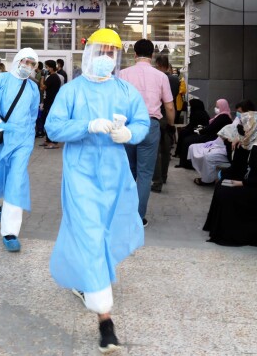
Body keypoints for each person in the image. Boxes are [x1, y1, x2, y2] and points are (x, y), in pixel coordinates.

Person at [45, 28, 150, 354]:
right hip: (81, 175)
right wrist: (86, 126)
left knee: (108, 232)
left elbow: (143, 124)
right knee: (90, 232)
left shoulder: (125, 90)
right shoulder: (72, 91)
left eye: (111, 53)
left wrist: (128, 134)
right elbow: (53, 126)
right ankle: (105, 320)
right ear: (88, 53)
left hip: (116, 176)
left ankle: (84, 278)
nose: (105, 58)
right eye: (100, 51)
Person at [0, 48, 41, 252]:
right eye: (25, 61)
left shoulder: (32, 88)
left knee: (16, 181)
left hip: (21, 142)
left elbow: (32, 116)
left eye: (32, 63)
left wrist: (27, 139)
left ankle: (10, 232)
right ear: (17, 60)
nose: (28, 66)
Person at [203, 105, 257, 247]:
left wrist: (241, 183)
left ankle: (231, 234)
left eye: (247, 125)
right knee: (223, 186)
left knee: (227, 192)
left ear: (256, 127)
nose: (245, 128)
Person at [118, 38, 174, 226]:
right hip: (150, 125)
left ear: (134, 54)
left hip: (127, 126)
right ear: (152, 55)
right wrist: (171, 125)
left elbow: (116, 103)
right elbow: (169, 106)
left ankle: (124, 214)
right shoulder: (161, 76)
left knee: (129, 171)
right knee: (145, 173)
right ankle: (137, 218)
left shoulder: (123, 74)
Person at [190, 100, 253, 186]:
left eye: (240, 112)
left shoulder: (252, 125)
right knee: (201, 151)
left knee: (206, 154)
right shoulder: (237, 120)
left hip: (236, 152)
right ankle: (208, 178)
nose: (238, 114)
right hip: (227, 147)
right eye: (237, 112)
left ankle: (209, 179)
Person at [176, 98, 232, 169]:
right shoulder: (221, 116)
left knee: (188, 141)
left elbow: (211, 128)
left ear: (223, 107)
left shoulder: (223, 117)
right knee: (187, 138)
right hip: (211, 135)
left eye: (218, 107)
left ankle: (188, 164)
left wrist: (201, 131)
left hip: (214, 137)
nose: (216, 108)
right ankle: (186, 162)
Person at [151, 55, 180, 192]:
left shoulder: (157, 77)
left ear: (157, 64)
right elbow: (171, 101)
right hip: (170, 116)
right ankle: (164, 175)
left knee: (156, 152)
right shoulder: (175, 79)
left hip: (157, 116)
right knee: (166, 149)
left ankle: (157, 182)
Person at [41, 60, 62, 149]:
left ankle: (54, 142)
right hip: (50, 102)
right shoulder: (53, 77)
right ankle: (48, 140)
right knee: (46, 121)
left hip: (51, 103)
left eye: (47, 67)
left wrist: (42, 77)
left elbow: (42, 87)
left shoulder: (52, 77)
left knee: (50, 122)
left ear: (51, 67)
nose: (46, 69)